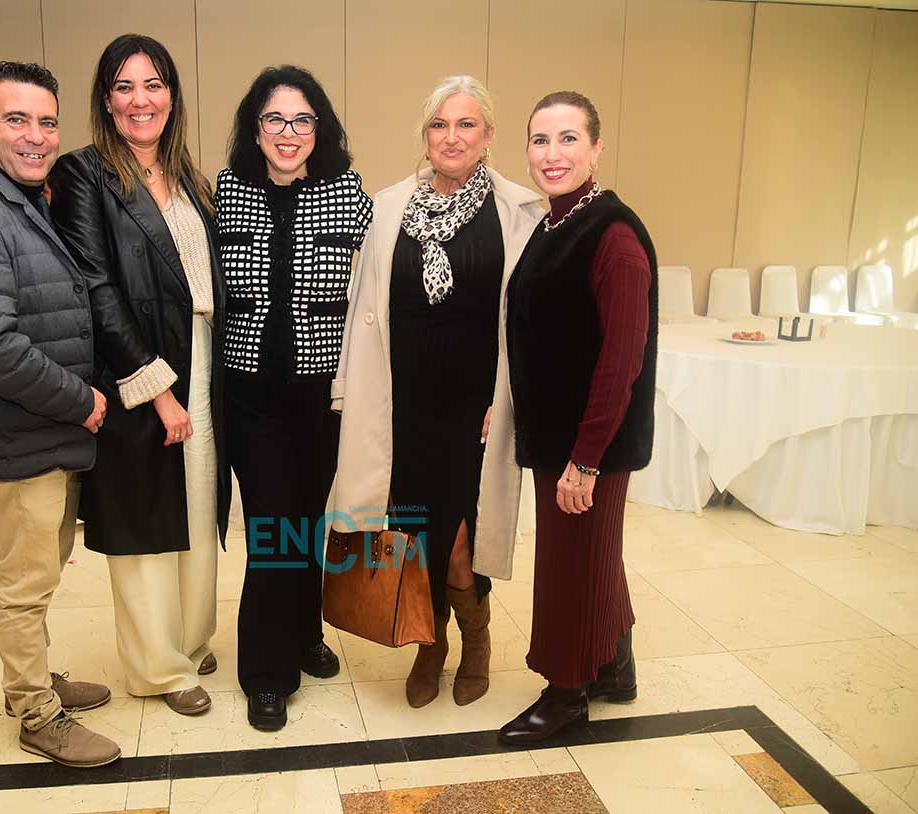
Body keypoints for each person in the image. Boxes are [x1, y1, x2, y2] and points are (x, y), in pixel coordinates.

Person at [0, 61, 118, 768]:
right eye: (16, 120)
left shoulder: (23, 201)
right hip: (22, 435)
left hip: (44, 434)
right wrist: (82, 401)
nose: (36, 136)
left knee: (41, 573)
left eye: (46, 122)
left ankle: (34, 681)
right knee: (25, 583)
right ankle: (36, 711)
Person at [332, 77, 543, 709]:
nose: (452, 137)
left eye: (466, 124)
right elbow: (363, 308)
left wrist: (509, 400)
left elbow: (527, 323)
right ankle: (432, 641)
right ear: (425, 135)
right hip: (403, 408)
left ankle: (474, 635)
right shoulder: (388, 207)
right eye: (439, 125)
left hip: (476, 411)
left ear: (489, 134)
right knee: (413, 530)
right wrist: (350, 390)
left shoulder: (517, 212)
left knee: (461, 541)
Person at [48, 34, 229, 717]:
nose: (140, 99)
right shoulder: (83, 174)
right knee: (147, 521)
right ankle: (158, 667)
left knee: (196, 506)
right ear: (105, 100)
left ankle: (189, 637)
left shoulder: (189, 178)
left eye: (153, 84)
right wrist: (157, 390)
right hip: (138, 369)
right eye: (124, 86)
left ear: (172, 96)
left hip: (201, 357)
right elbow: (95, 287)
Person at [498, 91, 657, 746]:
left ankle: (565, 695)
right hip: (558, 434)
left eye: (568, 139)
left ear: (596, 149)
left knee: (570, 568)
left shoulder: (613, 237)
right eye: (540, 140)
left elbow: (621, 360)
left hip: (589, 444)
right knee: (593, 557)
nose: (551, 154)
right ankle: (613, 667)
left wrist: (586, 459)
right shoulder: (557, 223)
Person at [216, 66, 372, 730]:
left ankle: (305, 632)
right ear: (255, 129)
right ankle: (266, 671)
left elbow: (379, 282)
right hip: (250, 398)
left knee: (306, 521)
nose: (288, 132)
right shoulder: (226, 191)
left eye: (301, 119)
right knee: (271, 531)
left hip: (322, 398)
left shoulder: (348, 194)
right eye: (274, 119)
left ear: (319, 128)